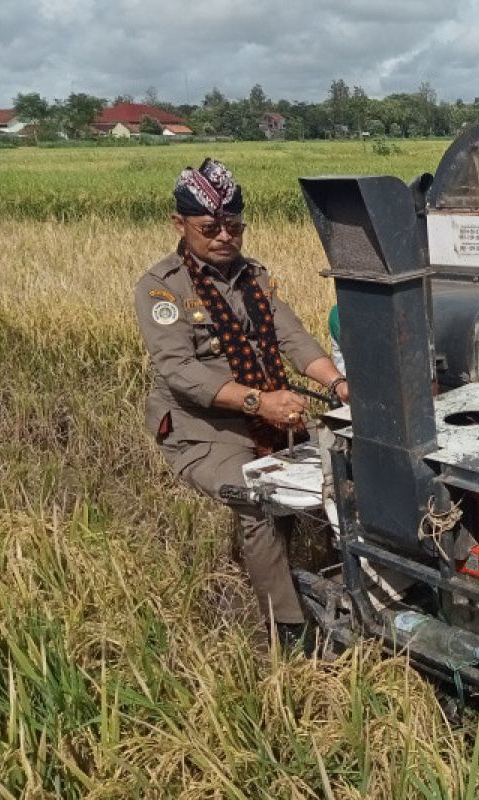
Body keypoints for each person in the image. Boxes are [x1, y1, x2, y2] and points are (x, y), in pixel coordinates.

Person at [134, 158, 349, 649]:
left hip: (267, 408)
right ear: (180, 224)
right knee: (258, 500)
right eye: (210, 228)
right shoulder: (162, 286)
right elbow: (180, 372)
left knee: (345, 464)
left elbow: (292, 338)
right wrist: (260, 402)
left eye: (234, 226)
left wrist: (338, 384)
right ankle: (289, 630)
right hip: (201, 426)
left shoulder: (254, 278)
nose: (224, 237)